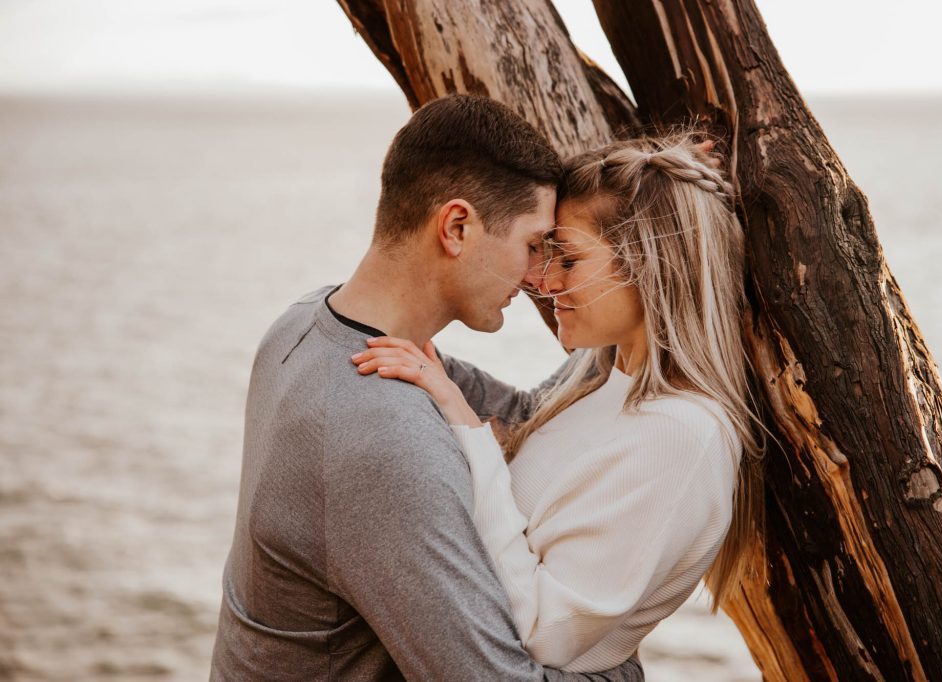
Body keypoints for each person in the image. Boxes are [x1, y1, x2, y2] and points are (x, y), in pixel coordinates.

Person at [209, 95, 646, 681]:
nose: (539, 277)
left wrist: (650, 247)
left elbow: (529, 415)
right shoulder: (383, 436)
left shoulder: (307, 323)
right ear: (457, 226)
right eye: (534, 244)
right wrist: (620, 662)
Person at [351, 133, 765, 671]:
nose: (543, 282)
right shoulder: (604, 374)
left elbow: (543, 633)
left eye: (567, 259)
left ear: (650, 263)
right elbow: (527, 413)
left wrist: (463, 425)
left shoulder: (680, 438)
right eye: (546, 254)